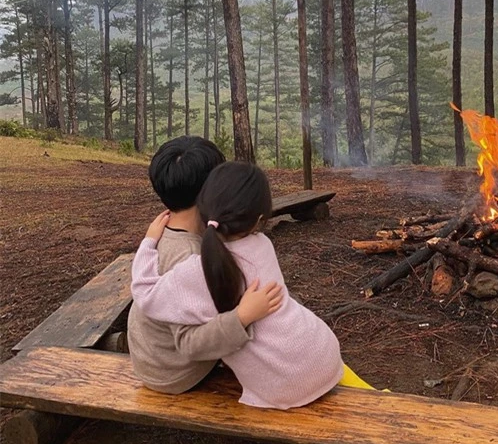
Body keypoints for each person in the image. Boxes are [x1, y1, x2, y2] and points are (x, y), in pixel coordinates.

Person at [131, 161, 377, 409]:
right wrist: (242, 315)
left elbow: (144, 292)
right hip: (325, 353)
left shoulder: (195, 270)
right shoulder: (262, 245)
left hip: (285, 386)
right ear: (259, 219)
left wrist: (149, 242)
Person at [127, 137, 283, 395]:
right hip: (174, 372)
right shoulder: (188, 258)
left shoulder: (161, 232)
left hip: (151, 358)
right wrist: (242, 317)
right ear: (211, 192)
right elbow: (189, 342)